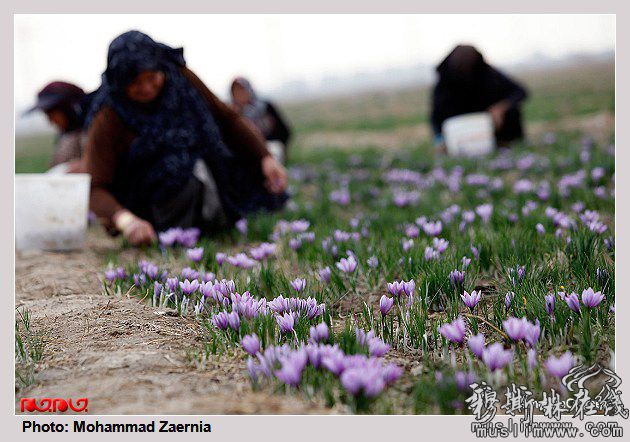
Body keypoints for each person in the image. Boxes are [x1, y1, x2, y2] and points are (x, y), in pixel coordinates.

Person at [83, 30, 288, 246]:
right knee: (178, 168)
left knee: (231, 163)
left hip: (211, 171)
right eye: (135, 82)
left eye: (152, 78)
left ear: (161, 68)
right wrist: (127, 221)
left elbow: (226, 119)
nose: (146, 88)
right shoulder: (108, 115)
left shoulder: (180, 78)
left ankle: (219, 218)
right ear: (120, 82)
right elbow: (95, 187)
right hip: (148, 205)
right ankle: (180, 232)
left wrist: (264, 157)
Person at [431, 45, 528, 149]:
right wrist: (439, 139)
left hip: (493, 126)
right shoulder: (445, 81)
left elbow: (520, 91)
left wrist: (501, 107)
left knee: (511, 109)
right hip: (460, 130)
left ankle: (507, 143)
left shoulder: (487, 72)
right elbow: (436, 116)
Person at [25, 81, 90, 173]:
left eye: (52, 115)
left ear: (68, 109)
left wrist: (87, 166)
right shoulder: (66, 137)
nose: (51, 121)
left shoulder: (92, 134)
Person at [230, 77, 292, 163]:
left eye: (242, 90)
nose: (240, 95)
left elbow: (284, 131)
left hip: (270, 147)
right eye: (236, 92)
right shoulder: (232, 114)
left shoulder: (265, 107)